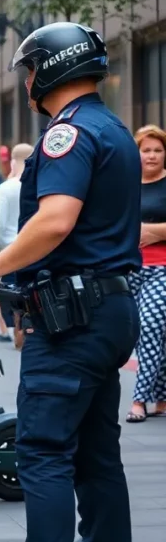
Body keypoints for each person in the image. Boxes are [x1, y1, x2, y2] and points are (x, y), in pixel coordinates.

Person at [0, 22, 140, 542]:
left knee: (44, 453)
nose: (27, 82)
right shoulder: (114, 129)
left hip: (72, 320)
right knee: (97, 456)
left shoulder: (66, 133)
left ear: (51, 68)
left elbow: (55, 220)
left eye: (30, 70)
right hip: (108, 309)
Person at [126, 125, 166, 422]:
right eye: (146, 150)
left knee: (151, 325)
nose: (151, 156)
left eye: (157, 150)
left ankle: (139, 399)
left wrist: (153, 232)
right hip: (127, 269)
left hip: (162, 268)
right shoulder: (124, 185)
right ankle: (162, 396)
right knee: (150, 333)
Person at [0, 143, 34, 347]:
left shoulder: (4, 189)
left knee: (14, 300)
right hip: (36, 251)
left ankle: (19, 335)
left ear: (12, 162)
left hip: (10, 252)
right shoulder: (39, 185)